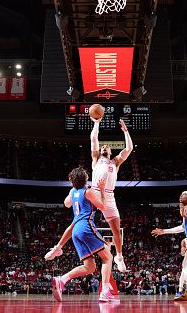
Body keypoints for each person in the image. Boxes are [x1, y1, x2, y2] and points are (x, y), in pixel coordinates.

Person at [46, 118, 133, 273]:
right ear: (100, 151)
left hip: (109, 195)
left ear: (111, 152)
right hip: (93, 192)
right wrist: (97, 123)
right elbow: (93, 138)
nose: (105, 147)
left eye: (107, 147)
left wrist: (126, 131)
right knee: (76, 223)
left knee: (116, 229)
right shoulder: (95, 160)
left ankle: (119, 257)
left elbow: (129, 148)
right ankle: (58, 248)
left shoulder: (115, 162)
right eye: (103, 147)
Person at [50, 166, 116, 303]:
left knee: (90, 267)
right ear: (85, 179)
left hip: (75, 231)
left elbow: (66, 204)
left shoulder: (73, 191)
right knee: (108, 257)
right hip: (86, 226)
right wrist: (102, 190)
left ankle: (62, 279)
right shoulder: (88, 191)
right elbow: (103, 207)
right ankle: (105, 292)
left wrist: (73, 190)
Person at [152, 191, 187, 301]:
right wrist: (163, 231)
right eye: (181, 195)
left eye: (184, 195)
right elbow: (181, 228)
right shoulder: (185, 213)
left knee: (186, 265)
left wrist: (184, 215)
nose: (181, 196)